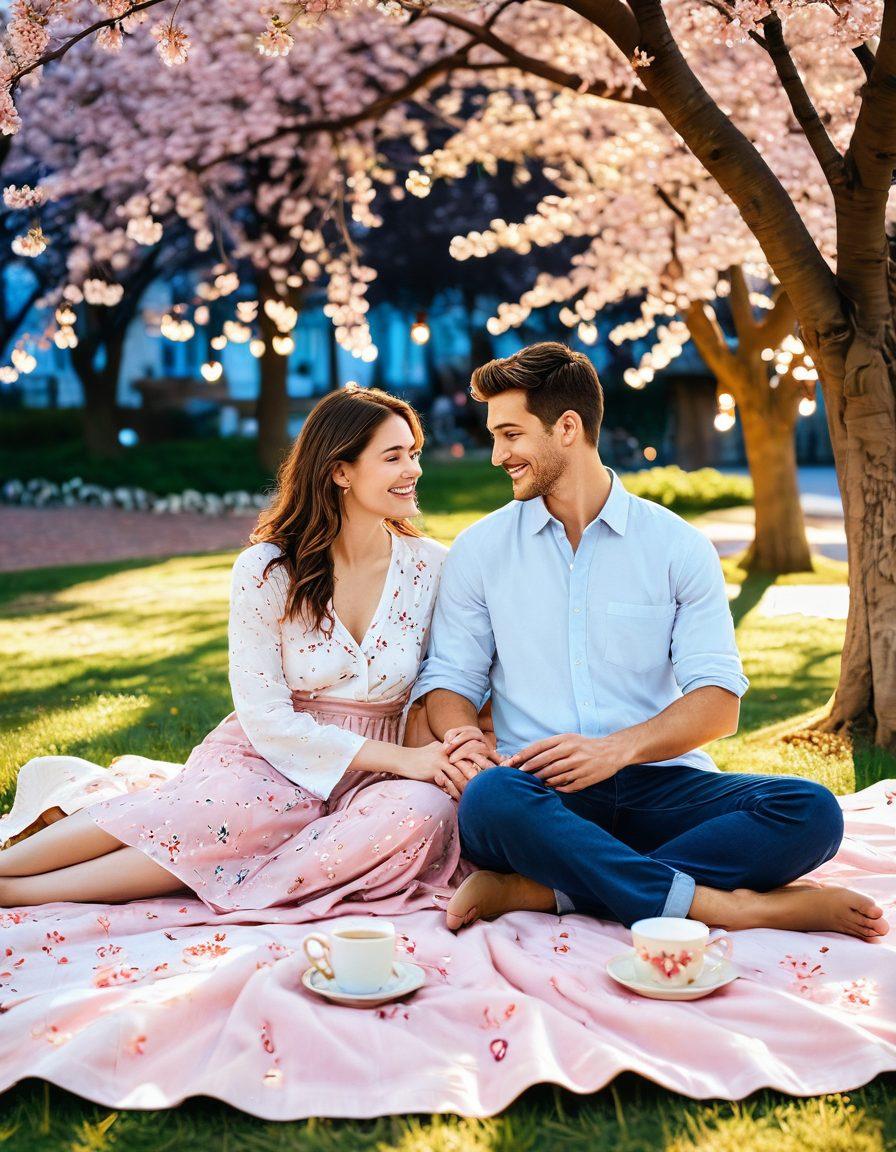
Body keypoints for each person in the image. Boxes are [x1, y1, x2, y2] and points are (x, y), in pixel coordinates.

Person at [409, 342, 889, 943]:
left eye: (511, 435)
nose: (497, 455)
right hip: (541, 798)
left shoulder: (676, 547)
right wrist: (460, 739)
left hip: (662, 787)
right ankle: (737, 908)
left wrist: (614, 751)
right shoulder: (481, 551)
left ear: (566, 428)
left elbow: (718, 702)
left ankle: (550, 892)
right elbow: (449, 682)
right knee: (489, 800)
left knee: (812, 812)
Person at [0, 385, 495, 916]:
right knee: (224, 815)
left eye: (415, 453)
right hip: (274, 756)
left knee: (421, 814)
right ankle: (12, 883)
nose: (414, 469)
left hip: (383, 775)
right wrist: (405, 758)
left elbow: (453, 673)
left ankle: (263, 879)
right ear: (340, 471)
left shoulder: (433, 566)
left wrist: (441, 749)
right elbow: (266, 716)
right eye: (394, 456)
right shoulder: (265, 570)